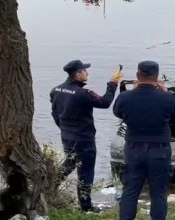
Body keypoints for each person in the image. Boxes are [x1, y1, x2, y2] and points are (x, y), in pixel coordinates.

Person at [112, 60, 175, 220]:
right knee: (158, 192)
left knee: (130, 190)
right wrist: (165, 91)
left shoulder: (125, 98)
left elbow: (117, 113)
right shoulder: (166, 98)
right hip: (158, 150)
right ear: (157, 77)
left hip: (134, 150)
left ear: (138, 76)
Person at [50, 60, 122, 212]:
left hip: (67, 137)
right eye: (84, 70)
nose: (87, 73)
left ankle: (48, 188)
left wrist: (64, 129)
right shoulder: (83, 94)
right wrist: (113, 83)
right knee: (86, 173)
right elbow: (104, 102)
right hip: (84, 140)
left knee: (69, 164)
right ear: (77, 74)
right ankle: (86, 207)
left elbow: (55, 114)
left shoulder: (55, 90)